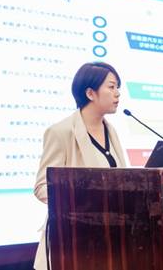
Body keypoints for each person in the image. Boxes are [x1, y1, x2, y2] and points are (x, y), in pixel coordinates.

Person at [33, 62, 126, 270]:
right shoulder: (61, 132)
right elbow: (41, 187)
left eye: (118, 87)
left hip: (110, 238)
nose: (118, 93)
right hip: (73, 241)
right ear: (90, 93)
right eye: (111, 87)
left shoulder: (111, 131)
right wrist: (80, 200)